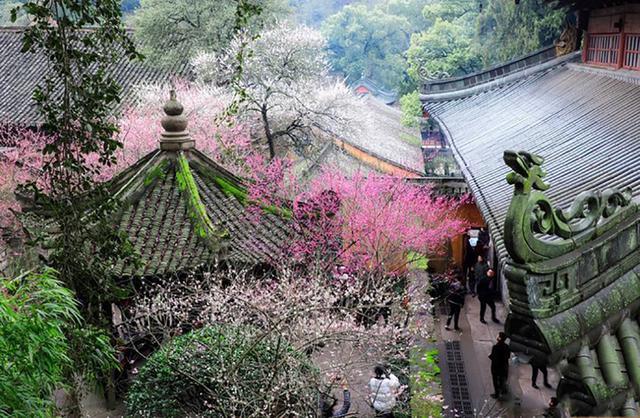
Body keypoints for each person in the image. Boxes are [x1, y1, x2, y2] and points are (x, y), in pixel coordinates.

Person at [489, 332, 511, 399]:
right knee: (502, 379)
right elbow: (508, 356)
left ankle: (497, 393)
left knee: (495, 380)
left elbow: (494, 358)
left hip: (496, 368)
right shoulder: (507, 346)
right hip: (504, 366)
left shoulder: (495, 347)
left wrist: (490, 356)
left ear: (499, 338)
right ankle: (503, 389)